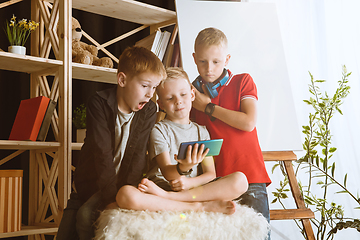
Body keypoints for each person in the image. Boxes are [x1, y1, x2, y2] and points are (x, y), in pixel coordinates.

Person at [56, 46, 166, 240]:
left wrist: (124, 196)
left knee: (84, 218)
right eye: (145, 85)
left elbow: (139, 154)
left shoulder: (149, 110)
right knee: (67, 231)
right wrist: (108, 198)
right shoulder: (98, 103)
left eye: (155, 87)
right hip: (92, 182)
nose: (150, 94)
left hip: (123, 186)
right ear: (122, 80)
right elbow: (102, 153)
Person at [115, 67, 248, 215]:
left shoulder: (202, 132)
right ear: (161, 104)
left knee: (240, 180)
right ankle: (197, 207)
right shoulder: (159, 130)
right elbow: (167, 173)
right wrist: (183, 167)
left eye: (183, 94)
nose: (178, 102)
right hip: (161, 187)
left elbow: (210, 174)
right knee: (125, 194)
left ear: (192, 94)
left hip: (191, 191)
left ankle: (173, 199)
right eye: (170, 98)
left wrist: (189, 183)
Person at [190, 27, 272, 239]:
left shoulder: (242, 81)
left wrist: (208, 107)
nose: (209, 68)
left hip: (251, 179)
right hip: (214, 184)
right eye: (202, 62)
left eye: (216, 62)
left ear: (227, 59)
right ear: (194, 59)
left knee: (259, 236)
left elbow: (248, 122)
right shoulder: (190, 93)